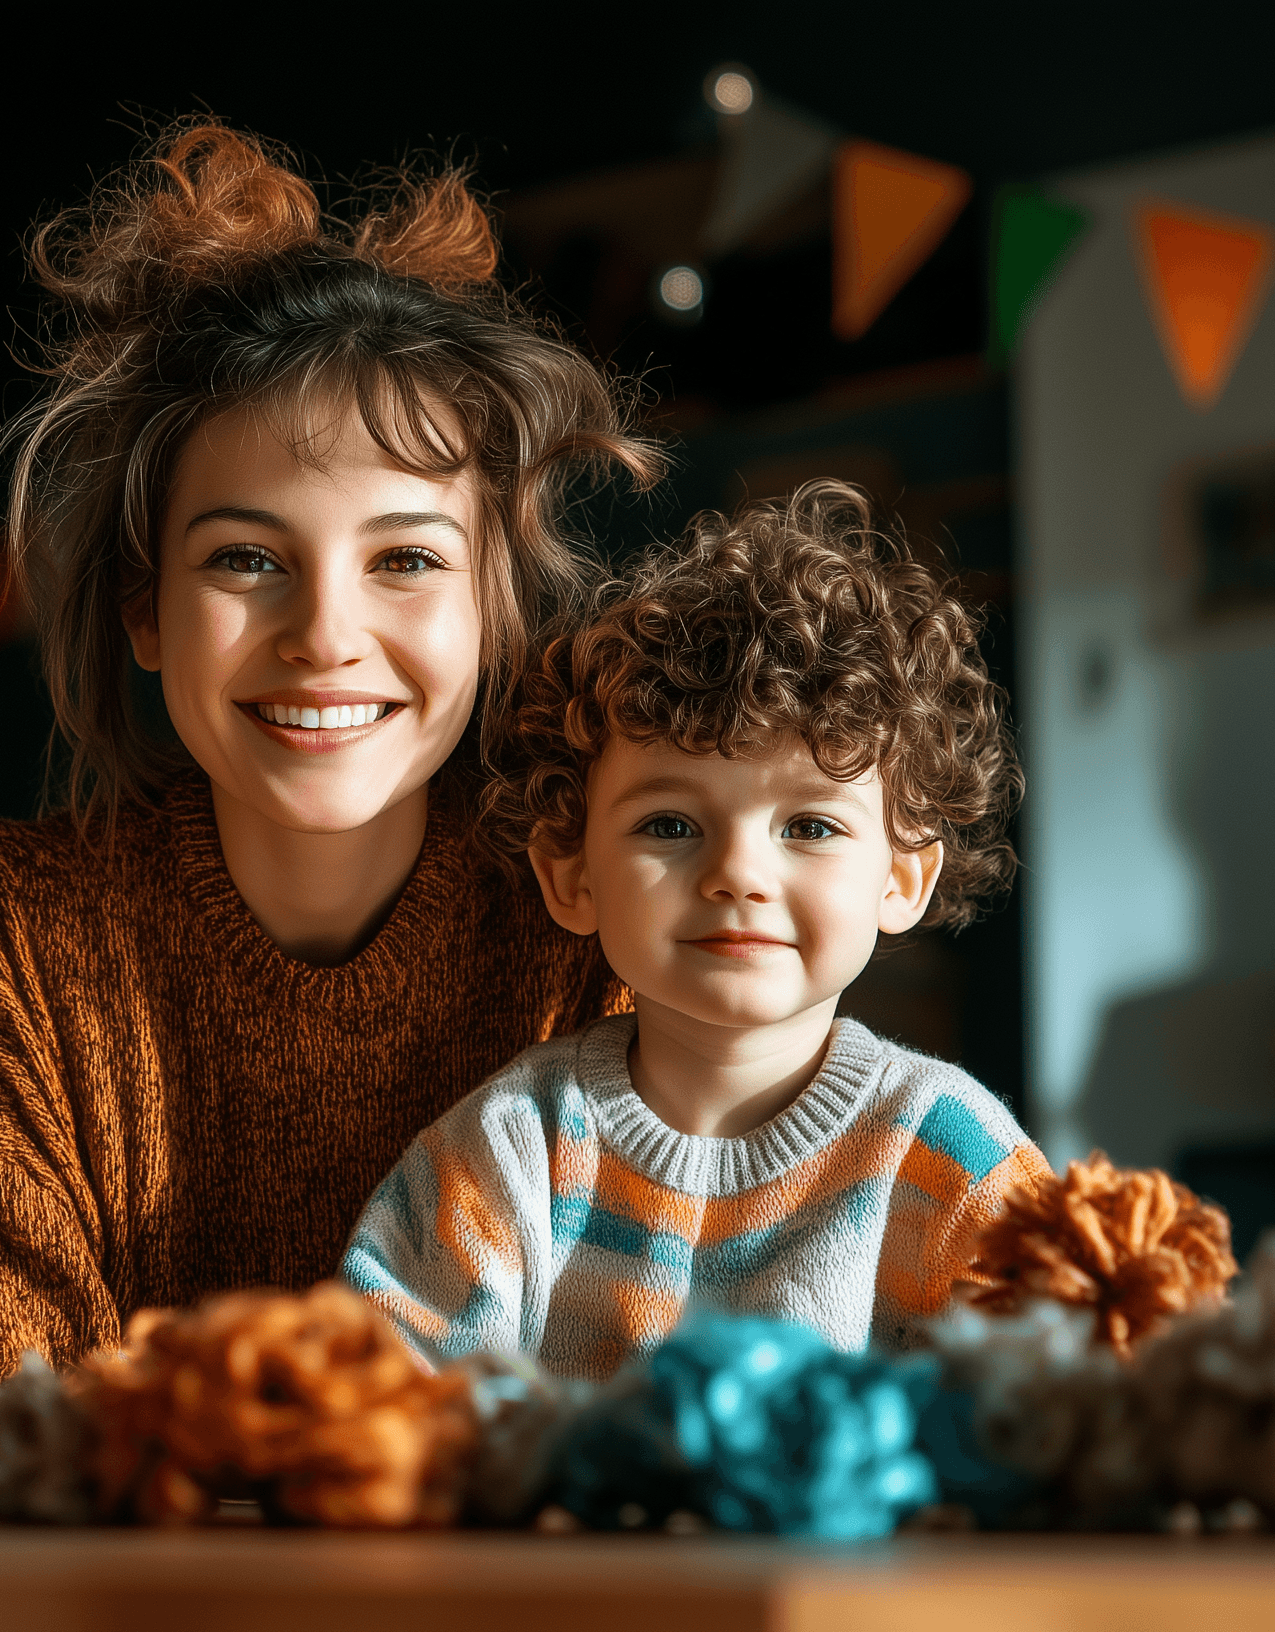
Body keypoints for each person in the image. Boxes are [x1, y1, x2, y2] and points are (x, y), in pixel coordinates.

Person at [0, 122, 661, 1381]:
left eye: (405, 560)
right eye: (245, 558)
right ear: (143, 606)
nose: (323, 638)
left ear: (491, 609)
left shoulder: (596, 937)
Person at [342, 481, 1045, 1377]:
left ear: (902, 878)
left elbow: (1075, 1410)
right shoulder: (516, 1149)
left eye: (810, 827)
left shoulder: (949, 1154)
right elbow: (375, 1401)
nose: (737, 876)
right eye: (670, 824)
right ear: (571, 875)